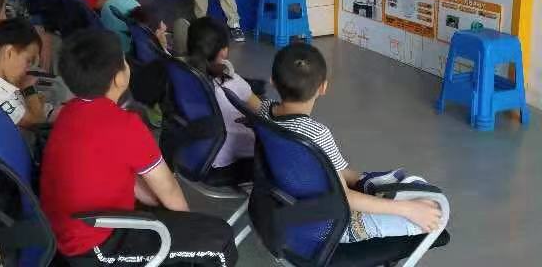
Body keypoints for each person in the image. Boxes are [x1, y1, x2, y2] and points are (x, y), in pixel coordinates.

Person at [40, 29, 237, 266]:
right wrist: (190, 226)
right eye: (124, 60)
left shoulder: (68, 111)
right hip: (97, 244)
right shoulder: (124, 125)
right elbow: (168, 189)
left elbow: (131, 181)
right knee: (220, 242)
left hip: (66, 232)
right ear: (119, 78)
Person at [268, 43, 443, 243]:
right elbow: (345, 198)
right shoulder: (316, 134)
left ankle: (370, 183)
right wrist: (409, 209)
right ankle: (381, 193)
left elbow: (333, 171)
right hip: (328, 227)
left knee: (413, 197)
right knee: (435, 213)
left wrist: (363, 179)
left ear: (272, 82)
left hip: (289, 203)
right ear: (323, 87)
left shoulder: (265, 111)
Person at [185, 17, 263, 182]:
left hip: (193, 155)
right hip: (223, 166)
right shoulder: (232, 82)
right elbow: (263, 111)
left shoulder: (182, 76)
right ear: (223, 51)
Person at [0, 18, 55, 127]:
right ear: (9, 52)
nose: (27, 69)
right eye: (28, 61)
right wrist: (29, 89)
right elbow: (39, 123)